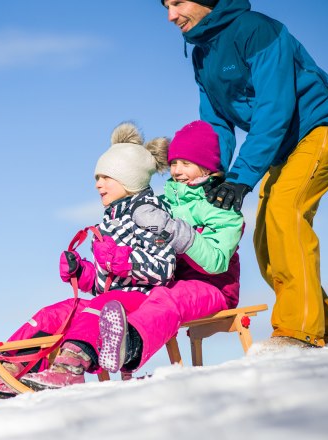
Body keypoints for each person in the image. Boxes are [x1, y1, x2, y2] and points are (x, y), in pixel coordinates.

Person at [160, 0, 328, 347]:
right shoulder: (201, 54)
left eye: (177, 3)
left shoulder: (257, 30)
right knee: (265, 238)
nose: (170, 16)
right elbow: (215, 123)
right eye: (166, 7)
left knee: (284, 213)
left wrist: (241, 177)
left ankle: (299, 331)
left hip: (319, 129)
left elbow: (274, 106)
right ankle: (325, 330)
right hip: (281, 148)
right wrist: (213, 173)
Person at [0, 122, 178, 397]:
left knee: (97, 307)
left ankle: (70, 369)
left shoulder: (149, 213)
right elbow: (105, 284)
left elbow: (165, 268)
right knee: (59, 311)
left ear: (129, 179)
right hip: (115, 298)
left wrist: (120, 259)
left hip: (144, 298)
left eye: (106, 177)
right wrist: (83, 272)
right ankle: (11, 366)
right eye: (96, 178)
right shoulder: (112, 219)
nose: (98, 184)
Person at [97, 120, 243, 373]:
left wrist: (173, 230)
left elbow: (216, 261)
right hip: (171, 283)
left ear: (207, 168)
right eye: (174, 163)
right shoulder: (163, 203)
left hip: (215, 289)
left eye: (186, 163)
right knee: (139, 297)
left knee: (168, 299)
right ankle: (100, 345)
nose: (176, 170)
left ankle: (130, 347)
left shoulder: (222, 207)